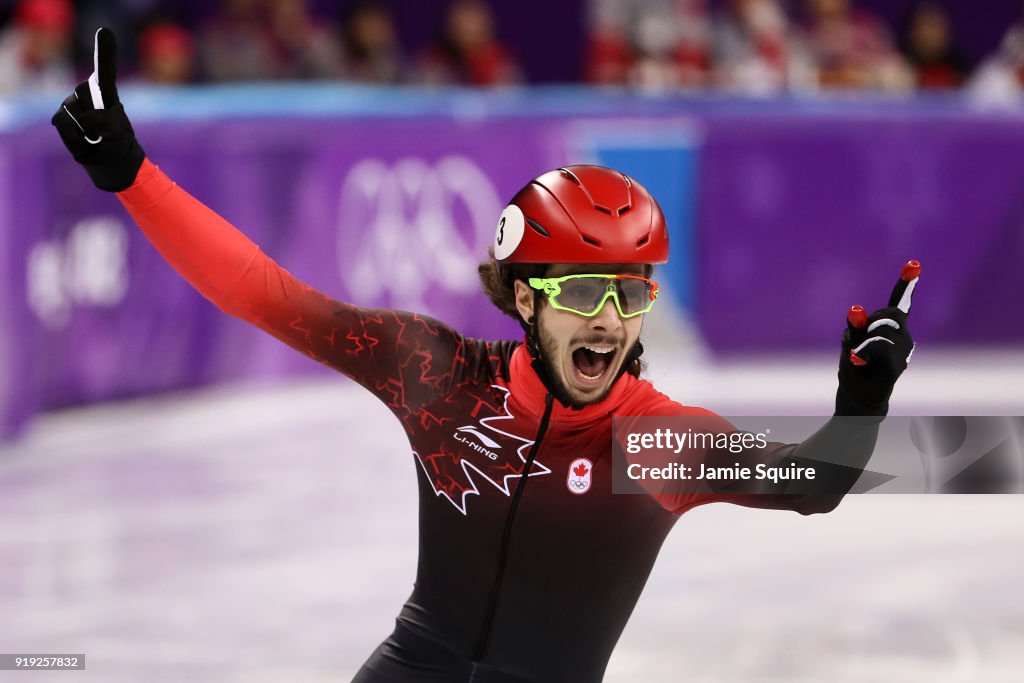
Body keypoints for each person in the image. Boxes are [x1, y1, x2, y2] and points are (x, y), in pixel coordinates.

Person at [52, 29, 920, 683]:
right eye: (584, 291)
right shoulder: (436, 376)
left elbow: (817, 483)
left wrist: (862, 403)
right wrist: (133, 175)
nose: (611, 321)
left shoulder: (659, 442)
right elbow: (266, 295)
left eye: (631, 293)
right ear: (525, 294)